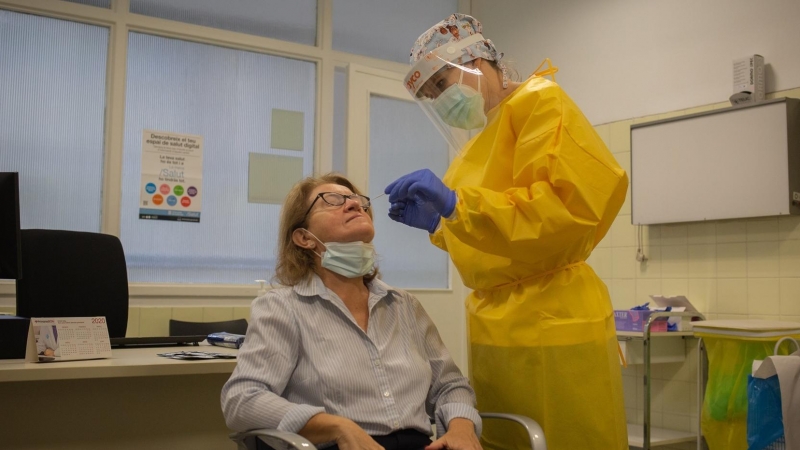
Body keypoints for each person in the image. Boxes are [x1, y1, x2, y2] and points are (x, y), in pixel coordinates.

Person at [384, 14, 629, 450]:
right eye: (431, 95)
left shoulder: (540, 102)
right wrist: (442, 225)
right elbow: (489, 235)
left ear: (478, 60)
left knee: (564, 437)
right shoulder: (479, 140)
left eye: (442, 84)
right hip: (495, 325)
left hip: (551, 315)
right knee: (506, 435)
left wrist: (459, 207)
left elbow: (564, 209)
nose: (441, 100)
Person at [221, 173, 482, 450]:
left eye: (358, 201)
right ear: (303, 238)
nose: (354, 205)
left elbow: (450, 386)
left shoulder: (405, 305)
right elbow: (243, 399)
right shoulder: (283, 307)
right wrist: (338, 427)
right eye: (332, 201)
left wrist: (461, 427)